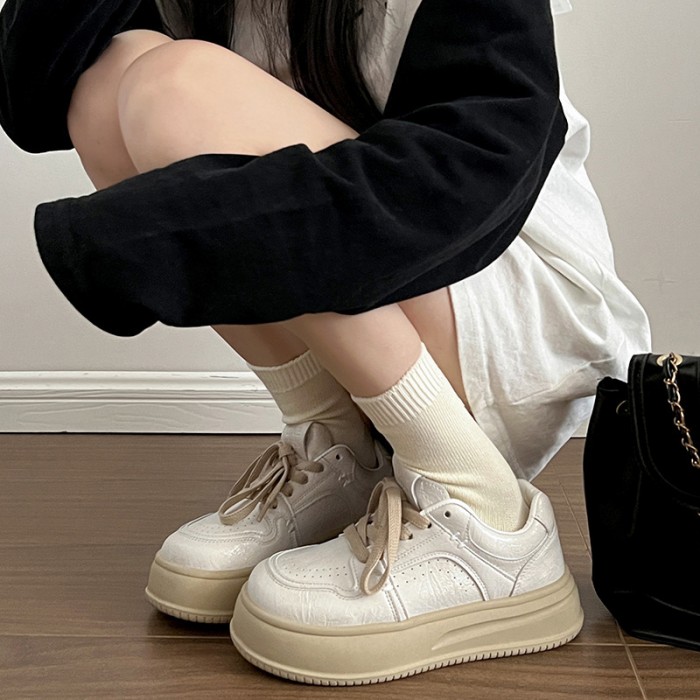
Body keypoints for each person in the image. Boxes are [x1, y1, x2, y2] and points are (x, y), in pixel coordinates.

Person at [0, 0, 651, 686]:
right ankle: (340, 449)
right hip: (397, 306)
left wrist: (139, 243)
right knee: (107, 79)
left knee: (175, 89)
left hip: (507, 314)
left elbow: (462, 179)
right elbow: (30, 97)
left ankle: (484, 506)